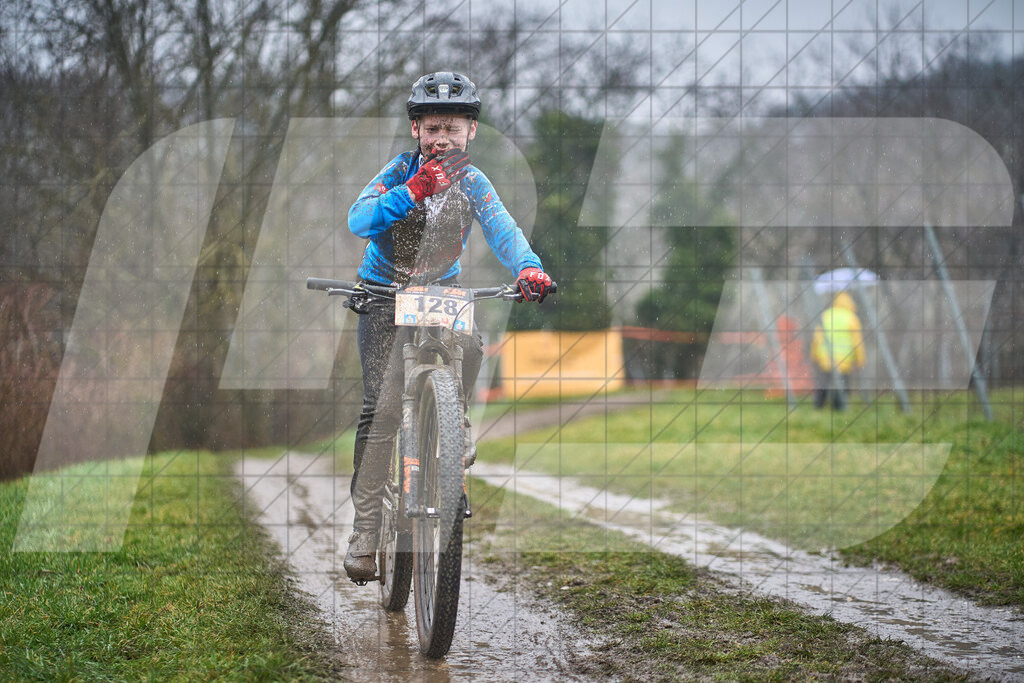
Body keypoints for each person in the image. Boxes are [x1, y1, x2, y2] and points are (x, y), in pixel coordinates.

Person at [343, 71, 552, 580]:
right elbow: (358, 219)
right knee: (381, 411)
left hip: (437, 294)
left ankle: (453, 421)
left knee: (473, 346)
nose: (442, 139)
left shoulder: (474, 182)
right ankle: (367, 529)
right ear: (416, 130)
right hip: (382, 293)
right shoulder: (398, 173)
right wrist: (414, 190)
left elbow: (503, 228)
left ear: (470, 133)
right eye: (432, 128)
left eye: (452, 129)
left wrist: (528, 267)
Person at [810, 291, 865, 411]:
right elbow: (857, 341)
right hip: (844, 360)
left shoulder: (826, 315)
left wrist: (814, 354)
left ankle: (818, 405)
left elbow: (817, 337)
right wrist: (860, 359)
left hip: (825, 357)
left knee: (824, 383)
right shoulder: (851, 318)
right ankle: (839, 406)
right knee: (843, 384)